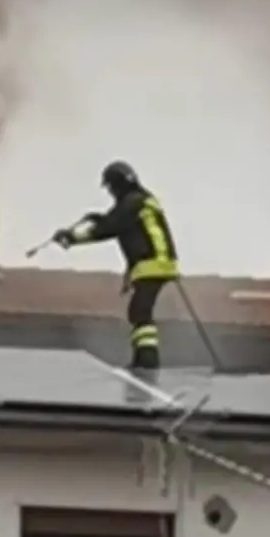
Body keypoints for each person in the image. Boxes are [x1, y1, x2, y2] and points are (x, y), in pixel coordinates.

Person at [52, 161, 178, 378]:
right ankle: (143, 360)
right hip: (156, 263)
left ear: (118, 184)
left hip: (152, 264)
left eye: (111, 187)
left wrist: (72, 238)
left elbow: (109, 228)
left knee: (140, 312)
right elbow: (123, 227)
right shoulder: (140, 201)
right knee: (139, 311)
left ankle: (147, 363)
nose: (111, 192)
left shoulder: (133, 202)